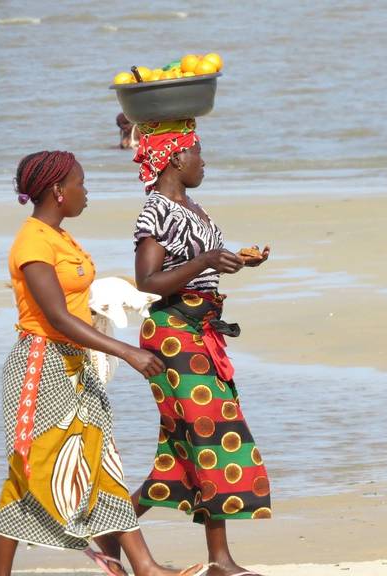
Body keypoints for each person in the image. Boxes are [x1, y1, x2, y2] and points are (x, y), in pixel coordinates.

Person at [0, 150, 202, 576]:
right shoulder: (32, 241)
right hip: (42, 365)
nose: (85, 192)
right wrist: (126, 350)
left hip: (74, 362)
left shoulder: (61, 237)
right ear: (57, 190)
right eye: (80, 184)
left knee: (101, 458)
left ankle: (144, 568)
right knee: (32, 467)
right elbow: (56, 316)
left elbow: (75, 301)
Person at [96, 120, 272, 576]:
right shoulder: (154, 209)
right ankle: (218, 559)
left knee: (187, 447)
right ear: (175, 158)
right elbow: (148, 281)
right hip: (174, 332)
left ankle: (114, 533)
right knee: (212, 434)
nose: (204, 161)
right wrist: (207, 261)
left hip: (201, 331)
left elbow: (199, 267)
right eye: (197, 153)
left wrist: (232, 261)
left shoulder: (192, 206)